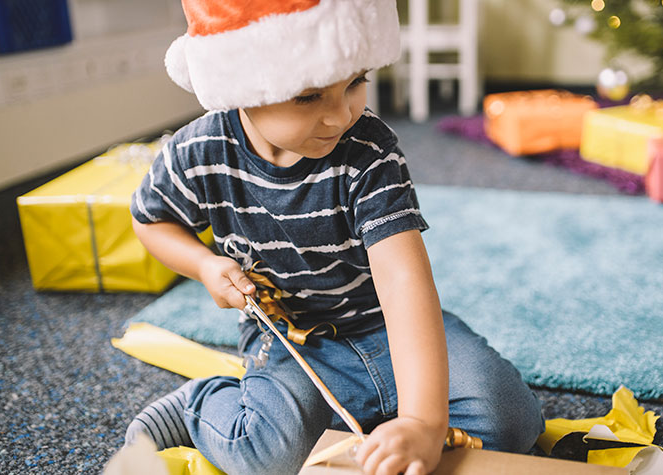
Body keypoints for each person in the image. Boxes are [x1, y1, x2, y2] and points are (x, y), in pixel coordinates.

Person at [125, 1, 544, 473]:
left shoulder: (370, 151)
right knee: (270, 456)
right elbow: (151, 219)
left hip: (386, 328)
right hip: (295, 341)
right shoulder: (196, 151)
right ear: (239, 85)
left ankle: (379, 414)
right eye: (308, 97)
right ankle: (197, 405)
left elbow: (404, 281)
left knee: (512, 422)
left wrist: (424, 422)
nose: (341, 114)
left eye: (356, 82)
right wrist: (203, 265)